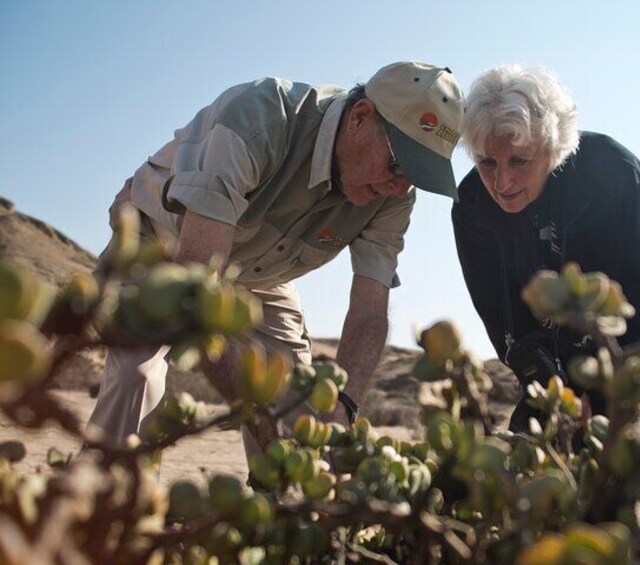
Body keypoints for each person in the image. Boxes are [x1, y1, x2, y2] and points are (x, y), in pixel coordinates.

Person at [88, 61, 464, 456]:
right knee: (136, 377)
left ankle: (282, 511)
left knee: (306, 411)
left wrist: (345, 406)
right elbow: (197, 293)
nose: (399, 187)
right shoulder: (259, 117)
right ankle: (108, 500)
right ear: (360, 117)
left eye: (418, 177)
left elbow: (370, 312)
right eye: (399, 165)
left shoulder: (393, 197)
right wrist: (258, 413)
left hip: (261, 272)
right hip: (168, 246)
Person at [451, 65, 640, 432]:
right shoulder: (472, 207)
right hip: (550, 364)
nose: (502, 182)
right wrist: (539, 377)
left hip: (628, 344)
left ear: (552, 147)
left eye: (519, 161)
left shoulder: (615, 172)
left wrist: (621, 381)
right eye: (486, 162)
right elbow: (499, 313)